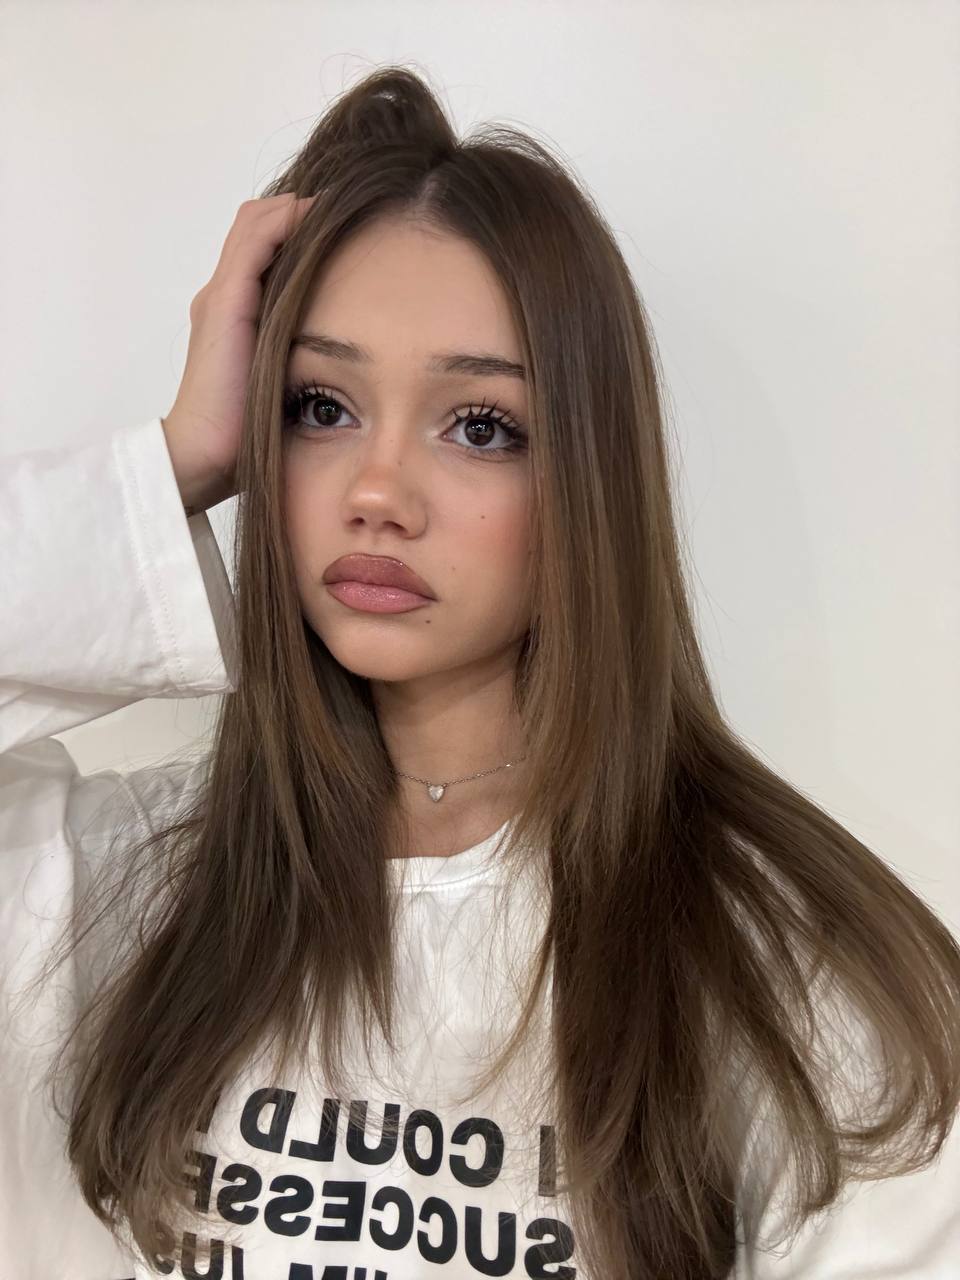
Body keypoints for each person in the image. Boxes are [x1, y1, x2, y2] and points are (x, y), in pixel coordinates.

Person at [2, 66, 959, 1280]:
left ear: (587, 477)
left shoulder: (789, 966)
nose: (377, 491)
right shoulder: (109, 885)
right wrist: (176, 463)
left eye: (481, 425)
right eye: (319, 405)